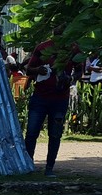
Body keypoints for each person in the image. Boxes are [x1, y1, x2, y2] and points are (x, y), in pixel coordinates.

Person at [23, 30, 81, 178]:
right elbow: (28, 69)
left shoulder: (73, 49)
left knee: (55, 134)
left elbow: (79, 71)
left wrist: (71, 79)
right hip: (40, 97)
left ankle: (49, 168)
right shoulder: (43, 47)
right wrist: (38, 70)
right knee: (31, 133)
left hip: (60, 98)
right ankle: (28, 166)